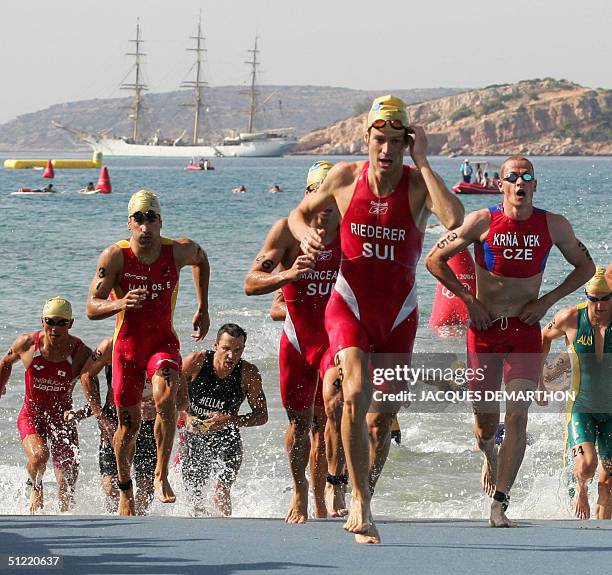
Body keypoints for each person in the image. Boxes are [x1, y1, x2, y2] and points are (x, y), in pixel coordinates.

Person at [289, 95, 464, 543]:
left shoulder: (417, 184)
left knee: (381, 419)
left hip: (399, 314)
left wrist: (423, 161)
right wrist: (305, 232)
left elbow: (455, 220)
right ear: (366, 138)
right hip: (348, 304)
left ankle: (366, 487)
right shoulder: (345, 178)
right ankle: (360, 504)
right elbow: (297, 215)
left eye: (395, 142)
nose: (386, 150)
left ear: (406, 143)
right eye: (378, 140)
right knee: (353, 391)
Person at [425, 155, 595, 527]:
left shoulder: (553, 225)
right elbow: (434, 260)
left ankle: (500, 502)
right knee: (486, 425)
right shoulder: (482, 221)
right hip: (484, 332)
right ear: (501, 185)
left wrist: (547, 301)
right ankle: (489, 453)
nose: (520, 183)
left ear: (535, 185)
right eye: (512, 178)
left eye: (527, 177)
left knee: (518, 415)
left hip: (524, 331)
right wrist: (469, 301)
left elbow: (587, 267)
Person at [86, 189, 210, 515]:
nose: (145, 225)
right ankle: (125, 488)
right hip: (127, 349)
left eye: (150, 218)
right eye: (138, 218)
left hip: (162, 343)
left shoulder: (177, 251)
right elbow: (91, 306)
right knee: (128, 428)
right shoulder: (114, 257)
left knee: (166, 398)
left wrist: (203, 306)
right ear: (129, 223)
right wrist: (119, 302)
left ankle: (161, 473)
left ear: (159, 221)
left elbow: (202, 258)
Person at [245, 160, 341, 522]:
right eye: (316, 193)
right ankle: (301, 493)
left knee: (329, 418)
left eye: (331, 194)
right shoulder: (285, 232)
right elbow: (250, 282)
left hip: (335, 341)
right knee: (301, 426)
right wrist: (288, 274)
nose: (323, 203)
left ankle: (328, 491)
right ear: (307, 195)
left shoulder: (351, 233)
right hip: (298, 343)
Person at [0, 297, 91, 513]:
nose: (55, 328)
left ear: (71, 323)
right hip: (32, 416)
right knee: (39, 458)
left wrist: (81, 413)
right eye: (50, 321)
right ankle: (35, 486)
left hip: (63, 420)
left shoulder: (81, 353)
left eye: (62, 322)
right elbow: (5, 362)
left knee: (67, 489)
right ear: (43, 321)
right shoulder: (28, 344)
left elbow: (95, 395)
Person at [541, 266, 612, 520]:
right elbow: (543, 337)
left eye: (605, 299)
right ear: (586, 296)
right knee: (586, 464)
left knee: (608, 487)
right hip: (580, 408)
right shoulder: (570, 318)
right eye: (594, 299)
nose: (600, 306)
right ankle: (581, 488)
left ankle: (602, 542)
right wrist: (539, 381)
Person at [180, 324, 267, 516]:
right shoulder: (196, 361)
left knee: (222, 490)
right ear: (216, 345)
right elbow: (168, 399)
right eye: (226, 349)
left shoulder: (249, 374)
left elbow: (262, 416)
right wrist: (186, 417)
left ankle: (226, 529)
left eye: (238, 350)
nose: (231, 356)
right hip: (194, 436)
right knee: (194, 496)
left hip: (228, 437)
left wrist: (230, 420)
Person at [78, 337, 157, 515]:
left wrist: (157, 407)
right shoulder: (110, 346)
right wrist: (101, 417)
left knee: (145, 491)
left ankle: (138, 526)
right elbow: (86, 376)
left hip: (147, 424)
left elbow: (176, 392)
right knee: (110, 488)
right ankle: (114, 524)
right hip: (115, 421)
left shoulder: (158, 345)